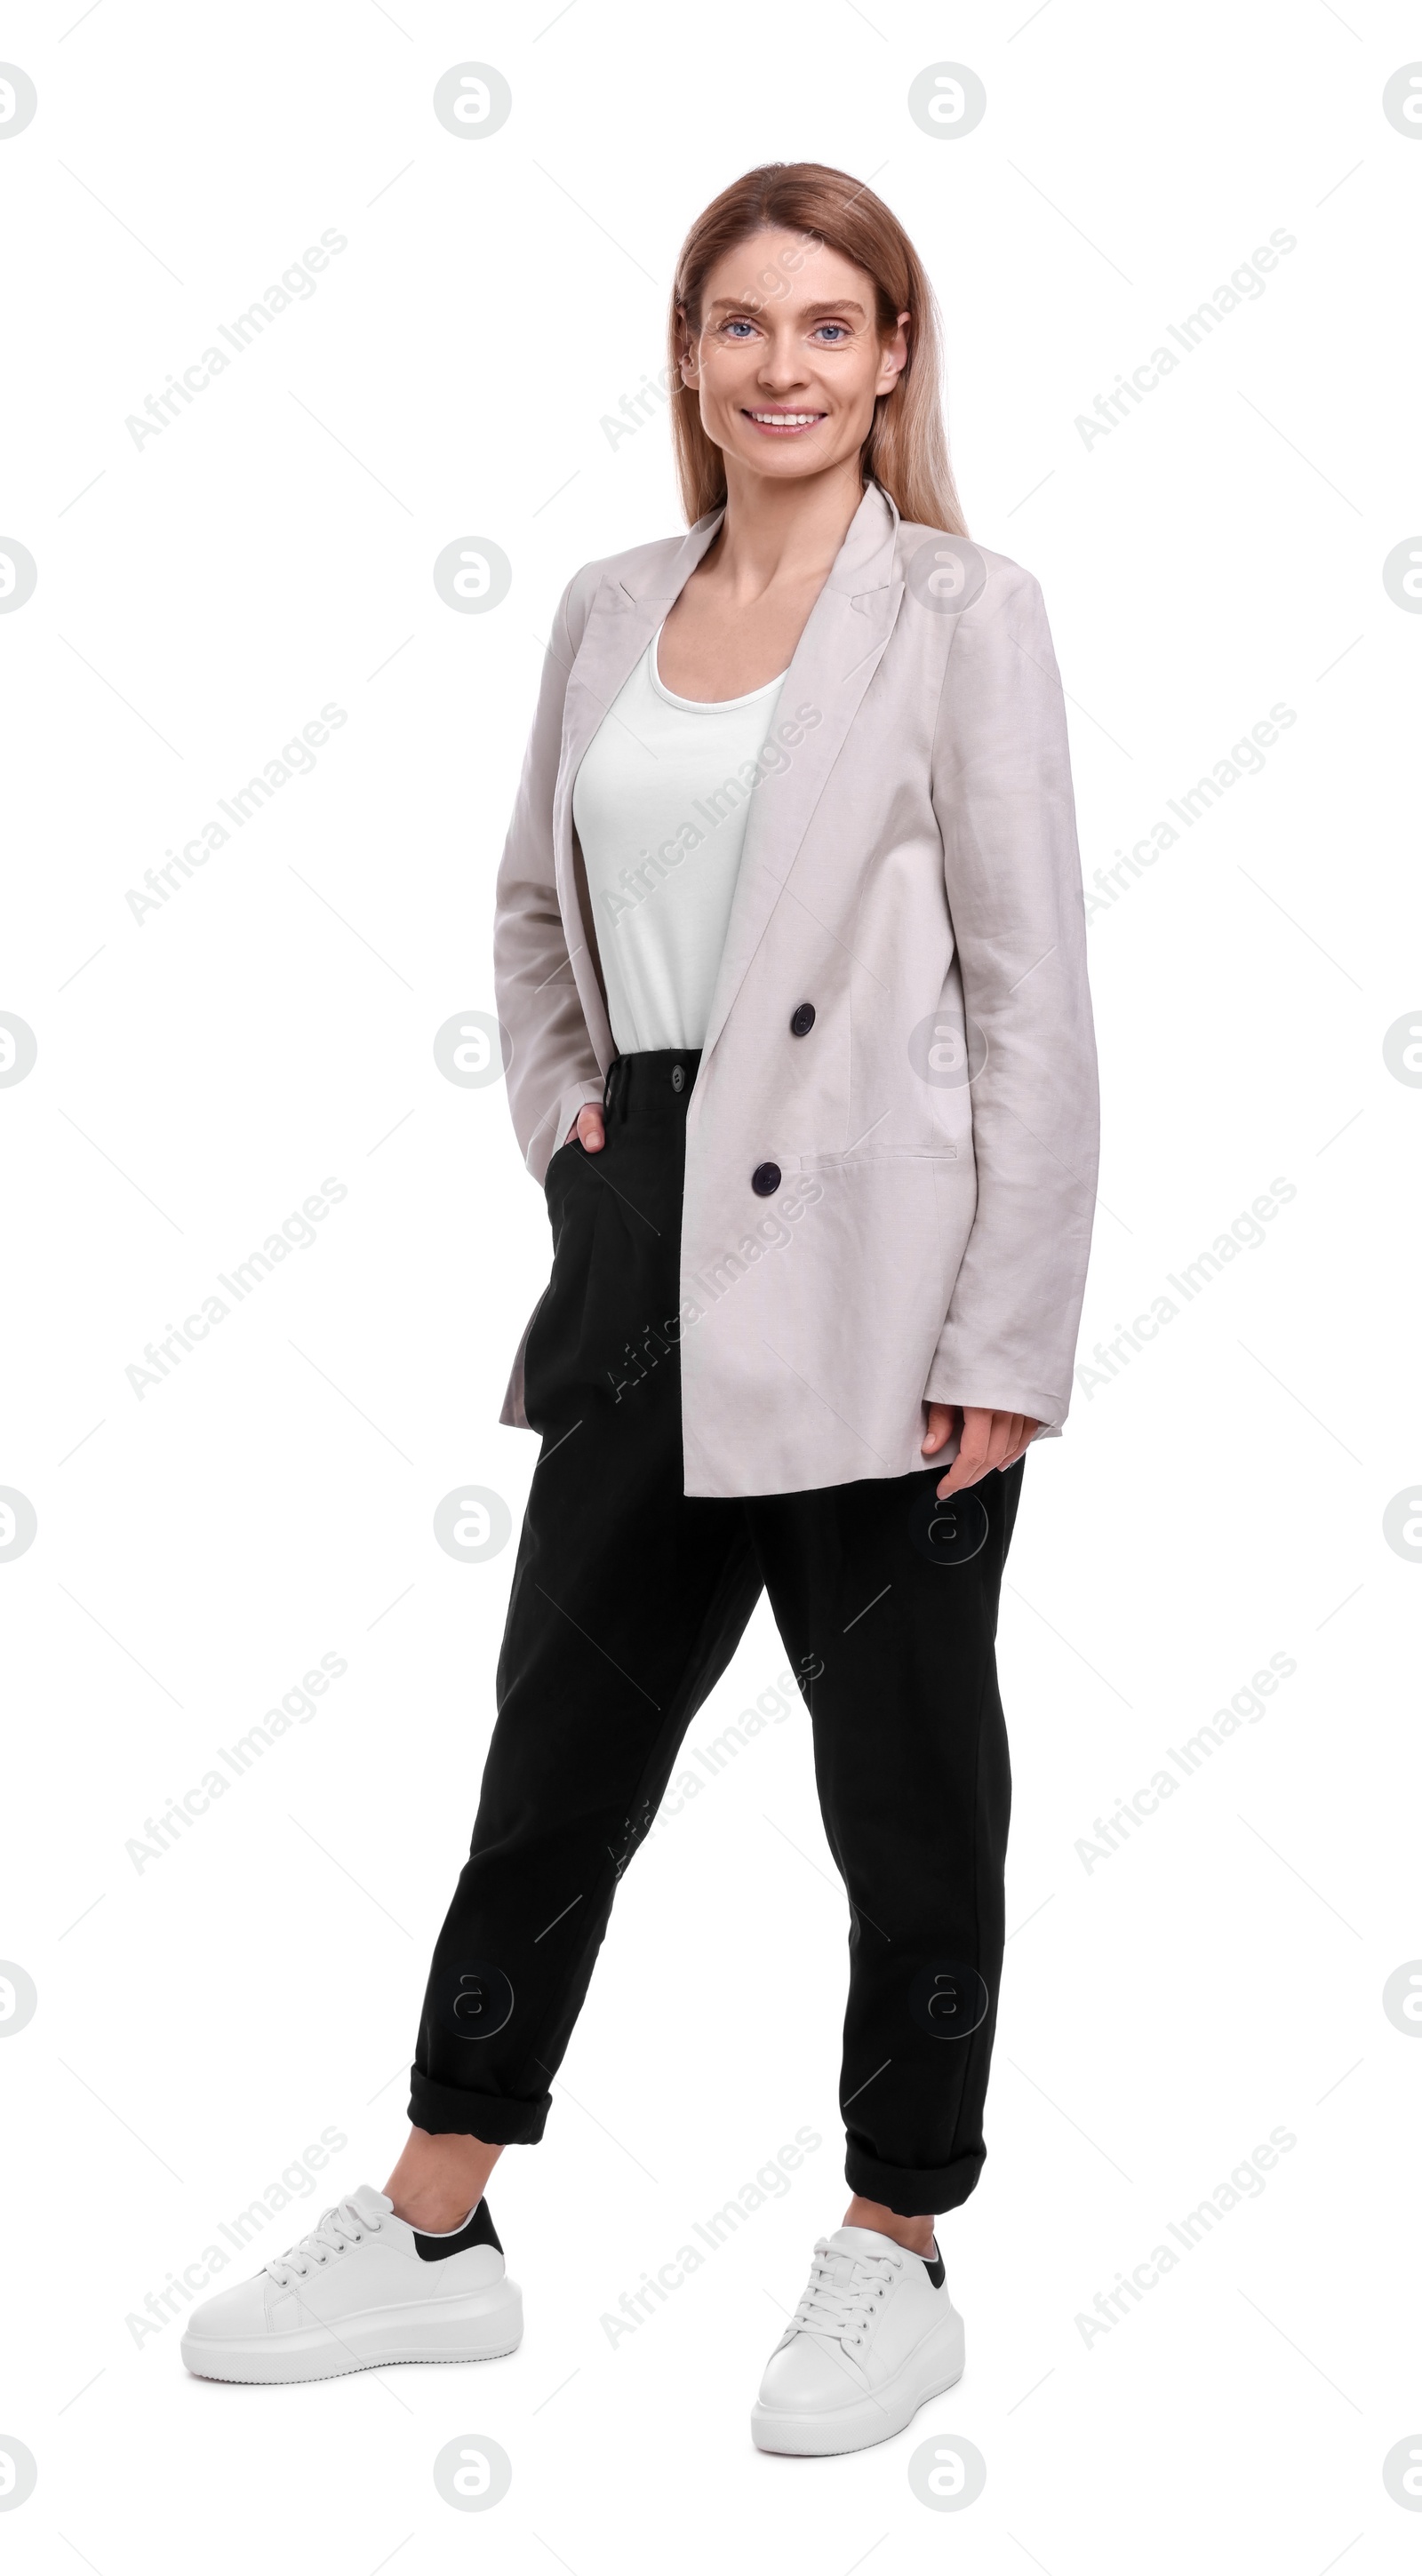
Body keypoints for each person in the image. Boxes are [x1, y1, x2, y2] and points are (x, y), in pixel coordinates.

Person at [181, 160, 1099, 2456]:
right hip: (644, 1245)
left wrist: (1005, 1337)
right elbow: (528, 916)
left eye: (828, 323)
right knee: (553, 1754)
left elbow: (1036, 1001)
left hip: (889, 1284)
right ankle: (435, 2220)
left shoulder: (965, 615)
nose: (779, 365)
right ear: (690, 355)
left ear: (895, 356)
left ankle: (899, 2245)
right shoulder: (606, 606)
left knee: (907, 1786)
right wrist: (576, 1134)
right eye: (737, 323)